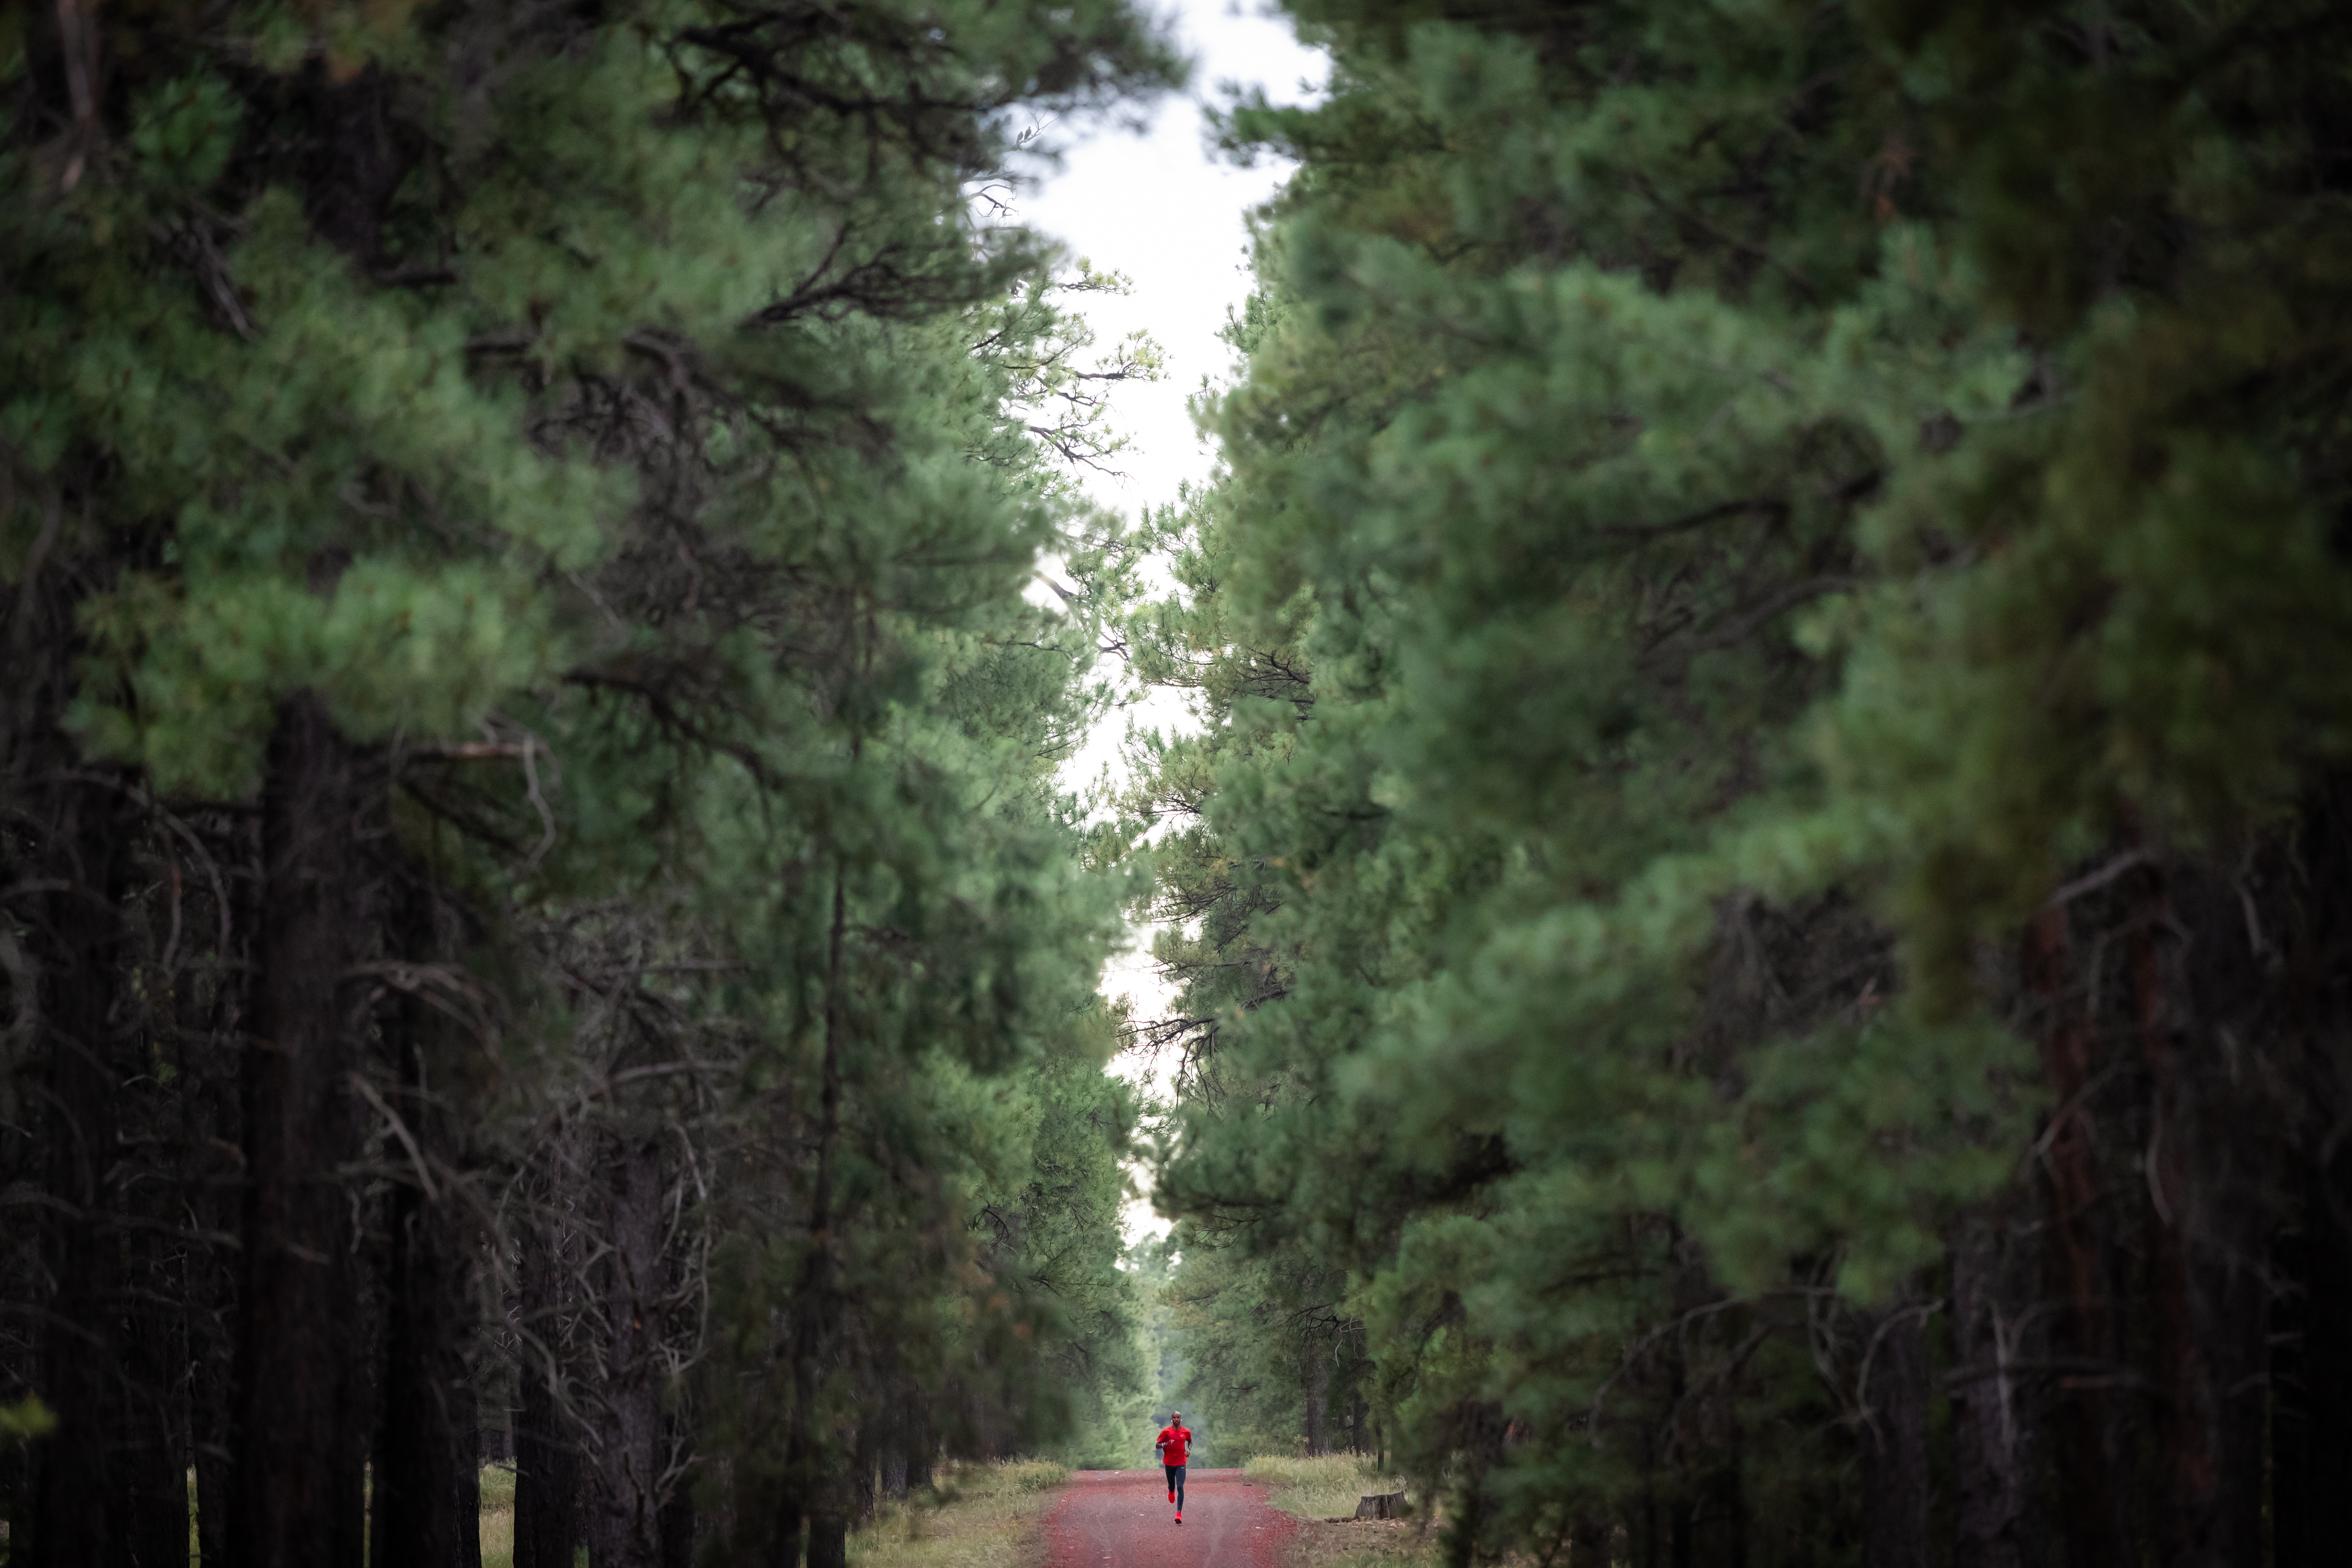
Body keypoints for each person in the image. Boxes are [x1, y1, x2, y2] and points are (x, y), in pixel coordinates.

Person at [1155, 1410, 1192, 1522]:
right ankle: (1171, 1491)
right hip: (1169, 1463)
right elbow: (1157, 1446)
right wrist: (1165, 1444)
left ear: (1181, 1419)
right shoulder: (1166, 1432)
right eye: (1175, 1418)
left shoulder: (1186, 1432)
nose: (1177, 1419)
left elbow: (1190, 1442)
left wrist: (1188, 1450)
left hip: (1181, 1463)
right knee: (1172, 1485)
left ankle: (1179, 1514)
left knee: (1180, 1486)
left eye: (1179, 1417)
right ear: (1172, 1419)